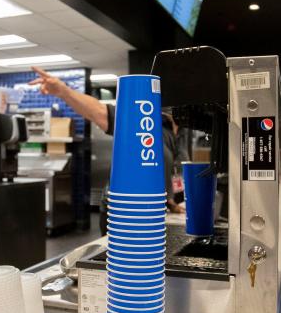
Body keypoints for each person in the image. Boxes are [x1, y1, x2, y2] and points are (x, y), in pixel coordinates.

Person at [28, 67, 186, 236]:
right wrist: (64, 91)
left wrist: (173, 203)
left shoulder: (179, 133)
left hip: (154, 211)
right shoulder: (143, 120)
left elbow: (170, 173)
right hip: (123, 212)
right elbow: (99, 112)